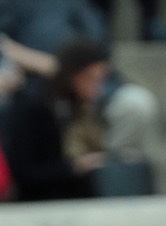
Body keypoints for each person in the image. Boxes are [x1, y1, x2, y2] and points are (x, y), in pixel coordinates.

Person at [1, 37, 155, 201]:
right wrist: (76, 167)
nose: (98, 87)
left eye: (102, 79)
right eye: (92, 78)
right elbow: (25, 173)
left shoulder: (84, 109)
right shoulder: (34, 108)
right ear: (72, 76)